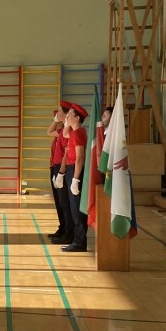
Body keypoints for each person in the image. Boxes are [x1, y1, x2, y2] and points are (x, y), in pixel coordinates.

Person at [56, 102, 90, 253]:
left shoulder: (78, 133)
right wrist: (66, 124)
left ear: (76, 118)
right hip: (71, 170)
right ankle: (77, 240)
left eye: (70, 114)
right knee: (73, 208)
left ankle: (80, 242)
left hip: (75, 171)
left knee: (76, 210)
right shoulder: (75, 132)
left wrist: (75, 179)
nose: (67, 116)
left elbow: (80, 157)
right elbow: (64, 134)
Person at [47, 104, 71, 244]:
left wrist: (61, 172)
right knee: (59, 201)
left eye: (58, 114)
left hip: (62, 168)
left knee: (64, 202)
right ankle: (63, 228)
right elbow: (49, 131)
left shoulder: (66, 132)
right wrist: (55, 121)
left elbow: (66, 154)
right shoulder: (61, 132)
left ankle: (68, 231)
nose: (56, 118)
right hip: (55, 168)